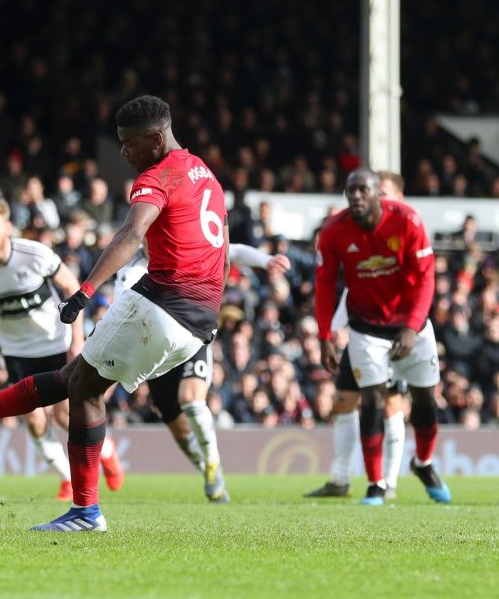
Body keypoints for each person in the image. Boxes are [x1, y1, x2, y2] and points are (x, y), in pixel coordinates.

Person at [0, 95, 229, 531]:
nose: (124, 153)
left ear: (155, 138)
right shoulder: (205, 174)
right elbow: (219, 247)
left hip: (164, 302)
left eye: (129, 144)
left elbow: (131, 234)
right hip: (199, 320)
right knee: (75, 381)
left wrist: (85, 290)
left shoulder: (155, 177)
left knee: (82, 390)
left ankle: (86, 511)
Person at [0, 197, 123, 501]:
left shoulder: (34, 254)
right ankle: (68, 478)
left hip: (56, 343)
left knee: (65, 416)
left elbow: (73, 289)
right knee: (33, 419)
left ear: (7, 226)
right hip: (17, 351)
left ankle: (108, 454)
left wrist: (76, 340)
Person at [117, 241, 290, 503]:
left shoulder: (182, 244)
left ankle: (211, 464)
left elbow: (234, 250)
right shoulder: (131, 269)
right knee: (179, 430)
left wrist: (266, 261)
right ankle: (211, 471)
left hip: (191, 336)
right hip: (155, 354)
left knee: (191, 399)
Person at [315, 169, 449, 506]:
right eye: (350, 190)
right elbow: (325, 284)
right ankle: (376, 484)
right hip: (366, 329)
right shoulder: (333, 231)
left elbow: (426, 278)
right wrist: (325, 334)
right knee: (372, 401)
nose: (356, 196)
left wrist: (412, 325)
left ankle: (423, 463)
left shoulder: (408, 222)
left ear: (379, 195)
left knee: (424, 401)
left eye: (363, 190)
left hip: (411, 326)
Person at [305, 171, 409, 499]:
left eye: (387, 193)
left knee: (388, 402)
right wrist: (333, 329)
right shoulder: (356, 231)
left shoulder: (403, 229)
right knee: (344, 400)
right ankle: (339, 479)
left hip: (393, 330)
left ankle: (388, 483)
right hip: (360, 329)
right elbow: (350, 287)